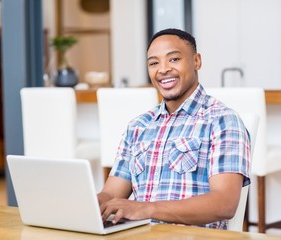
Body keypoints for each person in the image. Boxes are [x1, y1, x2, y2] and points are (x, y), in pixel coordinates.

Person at [97, 28, 251, 229]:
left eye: (174, 59)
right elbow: (111, 194)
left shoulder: (222, 121)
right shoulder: (138, 126)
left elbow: (224, 204)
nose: (162, 69)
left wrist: (146, 209)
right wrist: (89, 205)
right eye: (154, 63)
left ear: (197, 61)